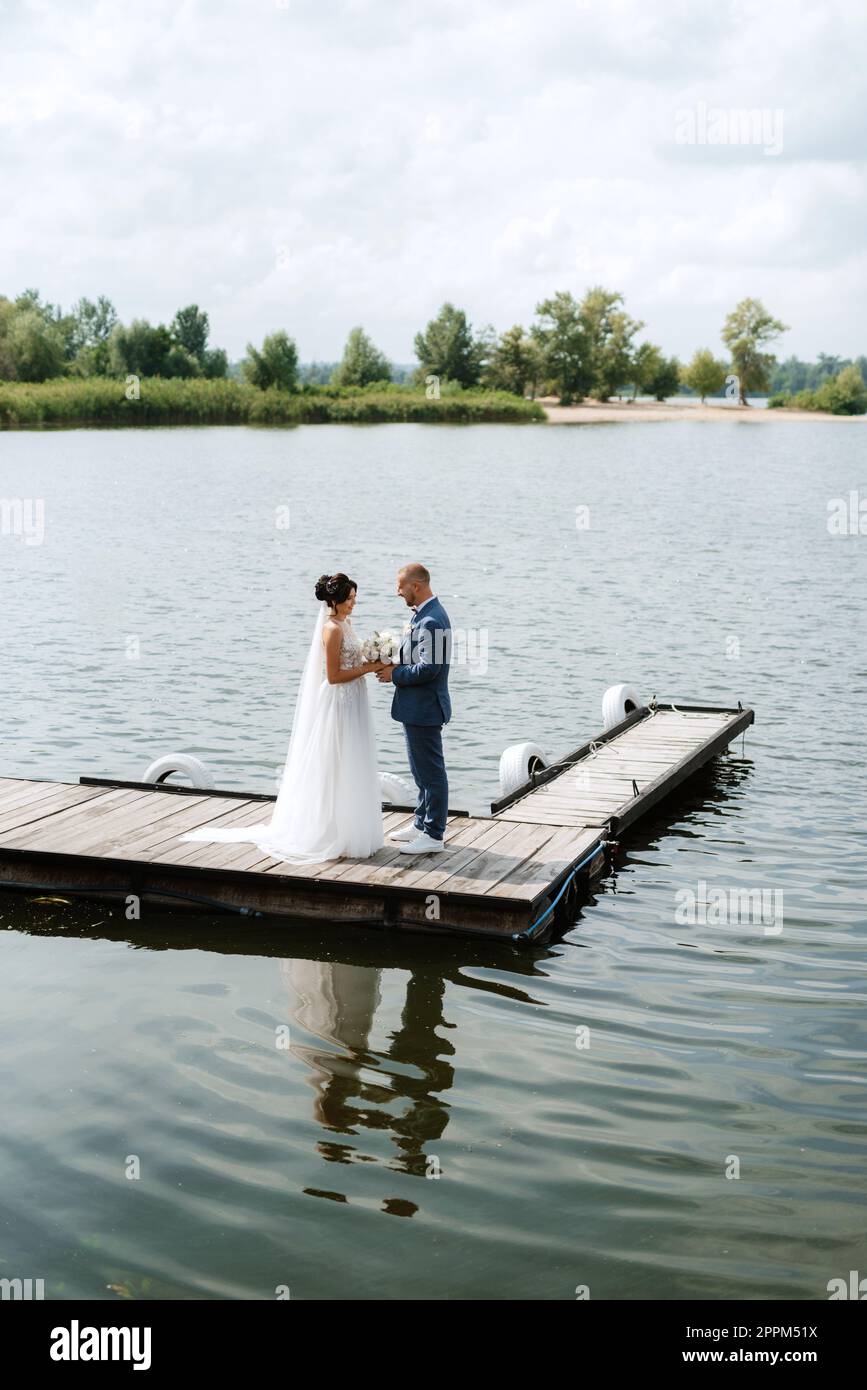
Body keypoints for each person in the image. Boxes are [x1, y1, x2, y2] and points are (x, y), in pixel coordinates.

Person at [179, 573, 387, 863]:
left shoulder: (347, 624)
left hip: (355, 701)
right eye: (349, 599)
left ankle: (352, 829)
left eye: (354, 598)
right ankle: (328, 831)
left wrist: (379, 660)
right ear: (334, 600)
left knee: (353, 760)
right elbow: (334, 675)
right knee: (335, 761)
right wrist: (367, 669)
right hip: (339, 702)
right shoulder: (331, 629)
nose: (354, 603)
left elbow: (351, 661)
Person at [376, 563, 452, 854]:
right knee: (420, 771)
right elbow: (417, 656)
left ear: (416, 586)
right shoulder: (424, 616)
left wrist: (393, 674)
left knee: (431, 773)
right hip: (416, 707)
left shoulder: (433, 620)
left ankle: (433, 834)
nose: (398, 592)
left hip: (426, 708)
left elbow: (429, 669)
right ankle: (421, 822)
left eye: (401, 586)